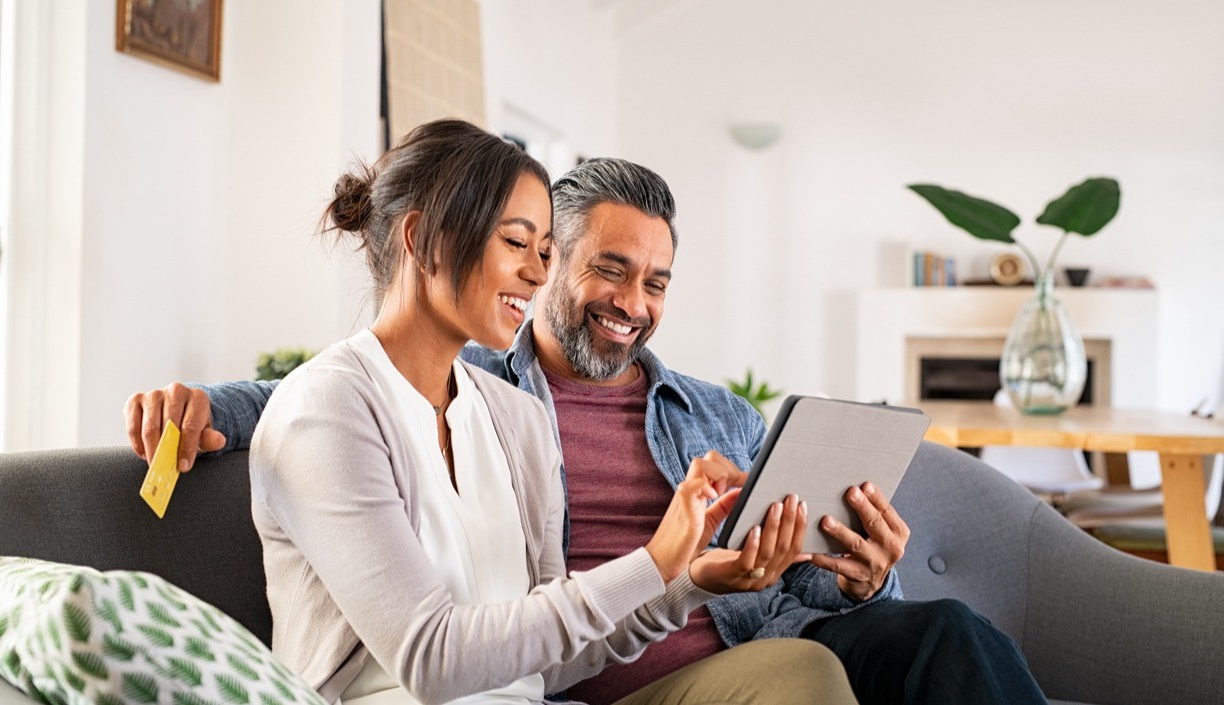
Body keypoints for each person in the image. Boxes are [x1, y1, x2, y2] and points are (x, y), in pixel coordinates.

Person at [125, 156, 1047, 705]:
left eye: (655, 283)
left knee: (949, 638)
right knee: (799, 673)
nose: (631, 304)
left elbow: (782, 576)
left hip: (745, 638)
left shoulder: (715, 410)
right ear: (544, 256)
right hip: (603, 667)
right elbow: (321, 389)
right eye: (610, 269)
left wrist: (857, 575)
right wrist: (204, 407)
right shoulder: (477, 382)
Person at [203, 118, 855, 705]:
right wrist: (655, 560)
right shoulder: (326, 410)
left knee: (805, 670)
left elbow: (554, 664)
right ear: (423, 238)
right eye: (518, 242)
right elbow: (431, 659)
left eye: (546, 248)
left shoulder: (516, 419)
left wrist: (690, 581)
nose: (539, 272)